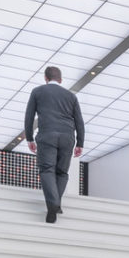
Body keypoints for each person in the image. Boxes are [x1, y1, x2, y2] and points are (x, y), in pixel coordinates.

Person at [22, 65, 84, 222]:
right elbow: (79, 121)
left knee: (47, 170)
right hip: (67, 137)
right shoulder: (71, 96)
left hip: (47, 136)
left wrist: (29, 138)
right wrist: (80, 143)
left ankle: (53, 204)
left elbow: (29, 117)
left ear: (45, 78)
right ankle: (56, 204)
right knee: (62, 172)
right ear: (61, 80)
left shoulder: (37, 92)